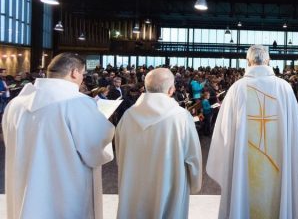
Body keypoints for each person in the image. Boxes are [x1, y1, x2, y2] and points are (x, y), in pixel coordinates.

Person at [2, 53, 115, 219]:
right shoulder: (78, 103)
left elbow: (10, 141)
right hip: (65, 190)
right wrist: (100, 122)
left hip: (25, 185)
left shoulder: (16, 104)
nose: (82, 78)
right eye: (83, 74)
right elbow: (95, 149)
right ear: (74, 72)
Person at [207, 45, 298, 219]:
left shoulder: (237, 89)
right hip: (280, 164)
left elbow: (223, 132)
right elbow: (296, 129)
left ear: (248, 61)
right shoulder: (284, 88)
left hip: (245, 164)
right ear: (269, 60)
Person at [115, 68, 202, 219]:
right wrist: (195, 183)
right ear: (170, 90)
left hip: (134, 186)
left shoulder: (128, 116)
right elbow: (192, 156)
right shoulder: (181, 117)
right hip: (168, 185)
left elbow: (119, 152)